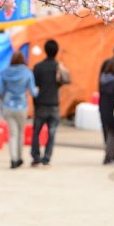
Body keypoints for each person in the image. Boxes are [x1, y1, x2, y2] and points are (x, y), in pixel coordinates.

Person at [0, 50, 38, 169]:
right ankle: (20, 158)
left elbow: (1, 91)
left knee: (12, 135)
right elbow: (33, 92)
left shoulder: (5, 73)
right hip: (22, 107)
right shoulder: (27, 73)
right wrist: (37, 90)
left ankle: (13, 159)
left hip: (8, 106)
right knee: (21, 134)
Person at [31, 39, 65, 167]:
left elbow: (34, 86)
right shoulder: (58, 67)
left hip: (41, 104)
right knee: (52, 132)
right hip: (54, 104)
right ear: (56, 51)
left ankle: (36, 157)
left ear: (45, 50)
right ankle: (46, 158)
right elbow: (64, 81)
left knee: (36, 132)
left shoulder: (38, 67)